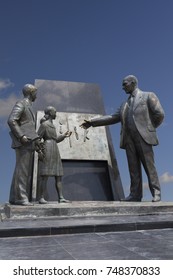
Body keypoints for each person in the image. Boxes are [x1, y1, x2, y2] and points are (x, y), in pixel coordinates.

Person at [80, 75, 165, 202]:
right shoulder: (124, 104)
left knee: (149, 166)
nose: (122, 87)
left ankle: (156, 192)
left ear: (133, 83)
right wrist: (92, 122)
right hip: (128, 139)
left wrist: (149, 128)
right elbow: (113, 117)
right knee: (133, 168)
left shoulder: (148, 96)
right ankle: (135, 194)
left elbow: (159, 114)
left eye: (125, 84)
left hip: (144, 137)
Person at [8, 84, 42, 206]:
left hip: (30, 141)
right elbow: (12, 120)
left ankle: (13, 197)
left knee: (19, 170)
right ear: (31, 93)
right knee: (23, 170)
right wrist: (21, 136)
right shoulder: (21, 103)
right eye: (35, 93)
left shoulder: (28, 106)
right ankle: (21, 198)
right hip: (24, 141)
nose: (36, 96)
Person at [37, 106, 71, 204]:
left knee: (58, 175)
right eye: (55, 112)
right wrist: (39, 151)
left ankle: (61, 197)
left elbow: (55, 139)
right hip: (47, 149)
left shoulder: (52, 125)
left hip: (55, 149)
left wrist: (64, 136)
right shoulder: (44, 125)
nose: (56, 114)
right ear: (51, 113)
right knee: (45, 175)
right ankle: (41, 197)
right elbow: (37, 138)